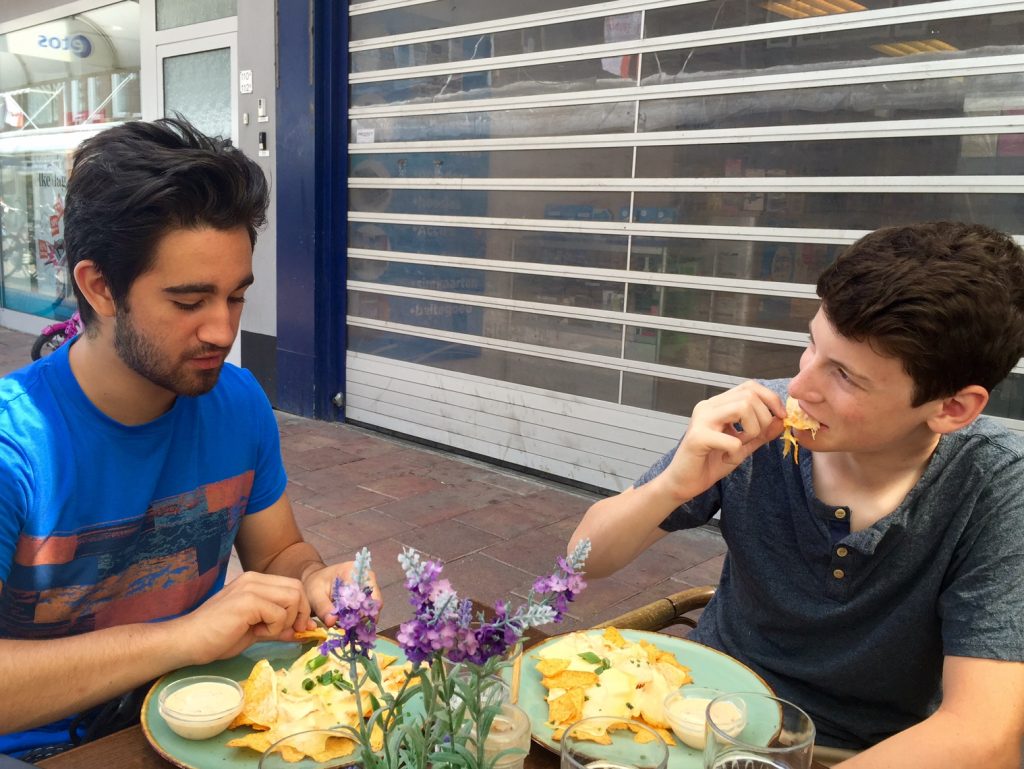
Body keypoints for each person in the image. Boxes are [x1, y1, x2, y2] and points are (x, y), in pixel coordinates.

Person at [570, 221, 1024, 767]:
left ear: (951, 408)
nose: (802, 387)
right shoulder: (754, 424)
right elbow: (581, 563)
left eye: (846, 377)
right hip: (697, 714)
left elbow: (983, 733)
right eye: (812, 345)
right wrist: (672, 486)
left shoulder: (998, 488)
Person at [0, 118, 371, 757]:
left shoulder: (238, 403)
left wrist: (313, 580)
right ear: (99, 287)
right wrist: (185, 638)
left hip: (205, 724)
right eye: (189, 301)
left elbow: (279, 552)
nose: (222, 331)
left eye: (235, 297)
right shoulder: (18, 448)